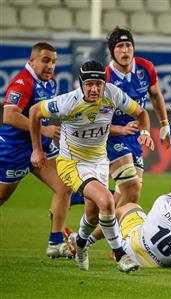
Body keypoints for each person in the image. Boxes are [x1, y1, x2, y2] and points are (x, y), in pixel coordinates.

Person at [29, 60, 154, 273]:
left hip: (99, 161)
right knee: (107, 200)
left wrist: (144, 132)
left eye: (98, 84)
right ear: (81, 84)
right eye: (89, 84)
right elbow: (34, 112)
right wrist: (37, 149)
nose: (94, 89)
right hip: (72, 164)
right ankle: (120, 256)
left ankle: (80, 243)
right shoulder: (68, 102)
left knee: (94, 214)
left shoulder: (113, 94)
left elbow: (141, 113)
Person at [69, 26, 171, 208]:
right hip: (110, 137)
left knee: (131, 195)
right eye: (120, 46)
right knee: (130, 187)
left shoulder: (146, 68)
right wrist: (120, 129)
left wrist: (164, 125)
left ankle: (83, 224)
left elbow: (155, 94)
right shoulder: (104, 78)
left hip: (134, 136)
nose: (125, 50)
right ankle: (106, 231)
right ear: (112, 52)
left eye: (128, 45)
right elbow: (91, 120)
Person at [0, 42, 72, 258]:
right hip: (14, 150)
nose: (51, 66)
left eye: (54, 62)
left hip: (40, 146)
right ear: (32, 61)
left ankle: (55, 242)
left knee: (65, 186)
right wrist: (44, 130)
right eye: (46, 60)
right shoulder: (22, 82)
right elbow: (9, 116)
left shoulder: (50, 82)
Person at [115, 181, 171, 269]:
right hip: (156, 266)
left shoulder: (163, 202)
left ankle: (106, 230)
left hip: (129, 249)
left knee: (131, 207)